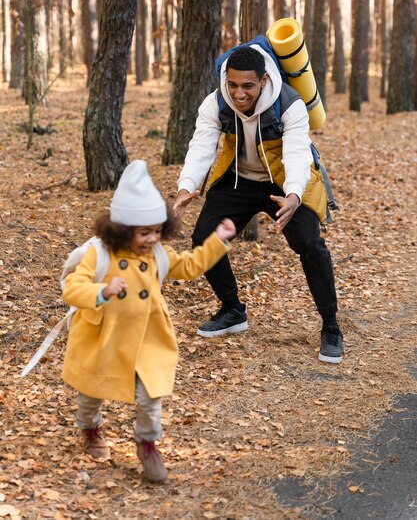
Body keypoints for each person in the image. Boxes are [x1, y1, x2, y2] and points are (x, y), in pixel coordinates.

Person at [61, 160, 236, 482]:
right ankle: (90, 428)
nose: (152, 238)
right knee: (90, 392)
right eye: (144, 232)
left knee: (150, 395)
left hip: (147, 339)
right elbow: (73, 288)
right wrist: (102, 291)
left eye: (157, 231)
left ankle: (147, 444)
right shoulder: (99, 255)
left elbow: (190, 265)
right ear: (122, 230)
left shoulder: (157, 255)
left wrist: (217, 240)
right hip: (104, 339)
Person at [173, 43, 344, 364]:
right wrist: (187, 185)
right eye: (233, 85)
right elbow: (202, 143)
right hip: (239, 180)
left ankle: (331, 325)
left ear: (264, 80)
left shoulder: (290, 104)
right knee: (204, 238)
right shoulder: (216, 101)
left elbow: (296, 152)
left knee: (310, 243)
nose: (239, 93)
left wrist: (294, 194)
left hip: (284, 180)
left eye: (248, 86)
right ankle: (232, 310)